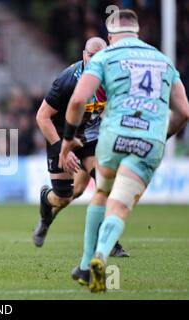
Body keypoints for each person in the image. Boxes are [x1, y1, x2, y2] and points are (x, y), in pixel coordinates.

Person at [60, 9, 189, 292]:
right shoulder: (162, 60)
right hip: (148, 141)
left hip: (113, 136)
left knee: (102, 193)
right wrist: (162, 135)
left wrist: (68, 140)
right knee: (119, 206)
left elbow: (78, 100)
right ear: (137, 32)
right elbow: (183, 111)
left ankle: (84, 264)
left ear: (110, 37)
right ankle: (101, 256)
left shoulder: (105, 56)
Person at [32, 37, 129, 258]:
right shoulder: (67, 81)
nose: (95, 60)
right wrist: (61, 150)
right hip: (61, 135)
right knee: (64, 197)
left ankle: (108, 242)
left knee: (105, 184)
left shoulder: (114, 76)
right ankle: (46, 204)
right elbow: (42, 117)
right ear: (83, 55)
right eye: (91, 56)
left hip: (91, 136)